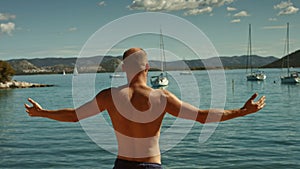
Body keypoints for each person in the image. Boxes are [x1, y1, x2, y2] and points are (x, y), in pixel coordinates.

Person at [25, 47, 266, 169]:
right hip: (151, 165)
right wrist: (241, 111)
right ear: (147, 67)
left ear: (123, 68)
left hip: (121, 165)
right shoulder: (161, 97)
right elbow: (203, 117)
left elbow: (75, 116)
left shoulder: (109, 96)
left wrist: (42, 112)